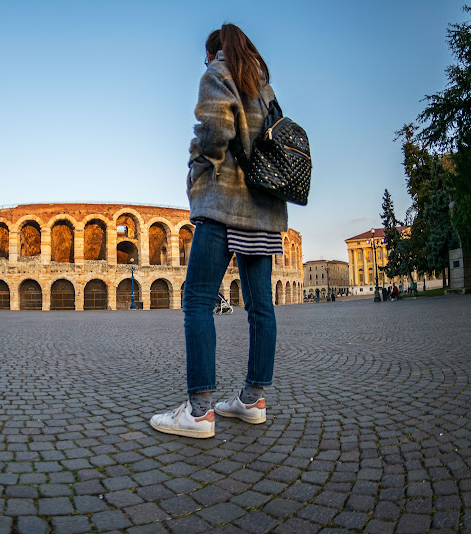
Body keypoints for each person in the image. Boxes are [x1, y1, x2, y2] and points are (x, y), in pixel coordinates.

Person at [150, 24, 284, 439]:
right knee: (261, 306)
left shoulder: (218, 73)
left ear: (214, 51)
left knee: (197, 300)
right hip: (262, 209)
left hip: (223, 202)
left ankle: (199, 411)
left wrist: (197, 166)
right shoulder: (263, 85)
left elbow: (213, 128)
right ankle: (252, 399)